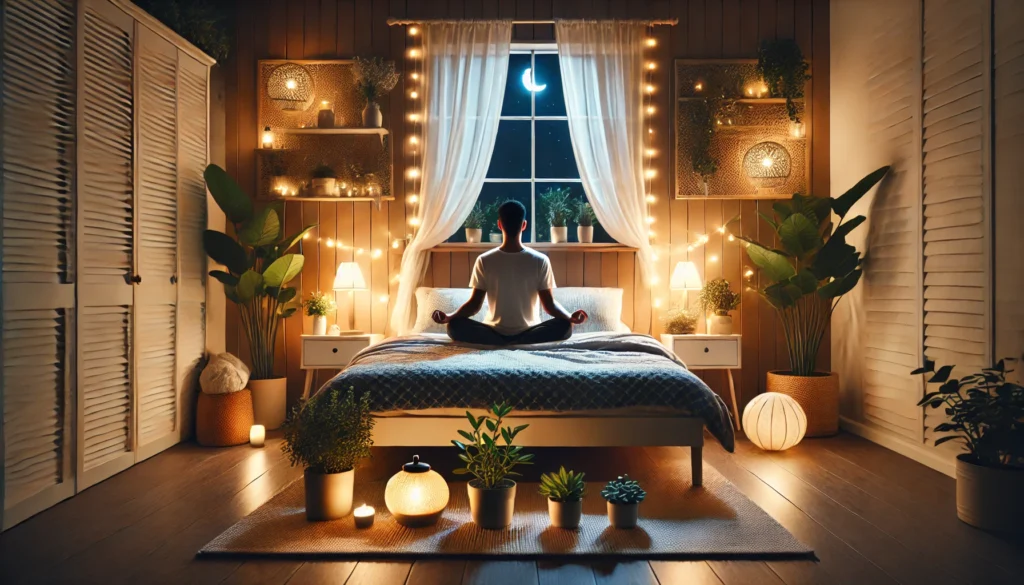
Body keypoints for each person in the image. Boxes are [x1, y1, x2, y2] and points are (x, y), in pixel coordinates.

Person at [432, 200, 588, 345]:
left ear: (499, 224)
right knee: (565, 326)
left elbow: (474, 305)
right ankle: (518, 342)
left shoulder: (484, 260)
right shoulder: (540, 260)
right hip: (529, 333)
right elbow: (549, 305)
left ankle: (503, 343)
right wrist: (570, 318)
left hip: (493, 334)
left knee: (454, 326)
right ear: (524, 225)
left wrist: (450, 317)